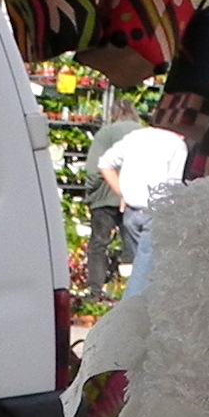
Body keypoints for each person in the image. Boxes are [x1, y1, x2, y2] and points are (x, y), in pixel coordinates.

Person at [98, 120, 188, 271]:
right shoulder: (177, 144)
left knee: (139, 265)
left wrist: (122, 193)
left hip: (131, 213)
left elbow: (105, 164)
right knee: (149, 270)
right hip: (157, 213)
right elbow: (173, 185)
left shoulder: (134, 137)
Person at [82, 101, 142, 294]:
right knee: (132, 245)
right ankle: (130, 291)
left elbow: (94, 168)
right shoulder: (143, 133)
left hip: (104, 197)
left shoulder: (106, 133)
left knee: (99, 244)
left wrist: (90, 191)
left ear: (113, 113)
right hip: (135, 198)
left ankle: (95, 290)